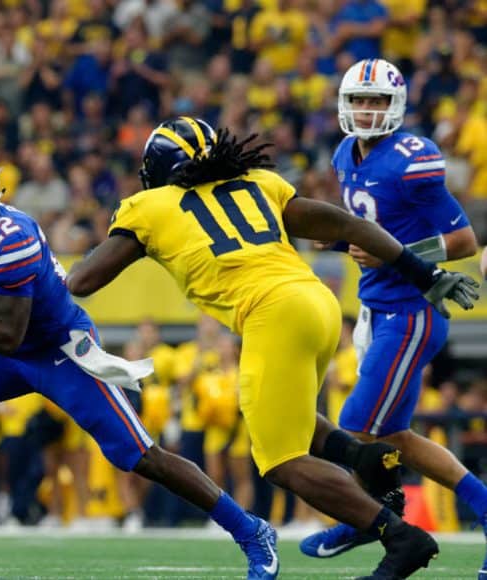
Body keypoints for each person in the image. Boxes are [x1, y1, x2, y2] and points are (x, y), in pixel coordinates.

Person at [65, 116, 478, 579]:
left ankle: (400, 537)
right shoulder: (260, 180)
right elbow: (345, 222)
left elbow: (83, 281)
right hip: (318, 302)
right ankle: (364, 458)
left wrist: (66, 268)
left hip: (272, 314)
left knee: (281, 462)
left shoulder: (148, 205)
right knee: (295, 420)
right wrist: (425, 273)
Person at [0, 142, 281, 580]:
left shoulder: (13, 238)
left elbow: (8, 334)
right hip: (4, 349)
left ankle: (250, 530)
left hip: (57, 350)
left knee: (139, 455)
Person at [298, 58, 487, 577]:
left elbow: (465, 240)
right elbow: (371, 227)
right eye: (359, 99)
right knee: (395, 437)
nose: (366, 109)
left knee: (357, 427)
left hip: (411, 311)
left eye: (377, 101)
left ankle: (373, 520)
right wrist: (339, 238)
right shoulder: (343, 152)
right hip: (374, 308)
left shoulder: (412, 158)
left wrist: (398, 251)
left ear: (395, 106)